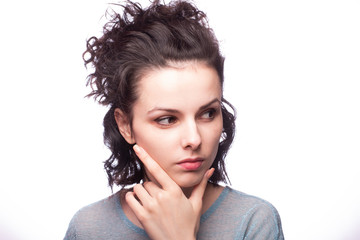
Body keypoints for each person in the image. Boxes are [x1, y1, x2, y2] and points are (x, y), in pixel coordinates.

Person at [64, 0, 284, 239]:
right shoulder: (89, 227)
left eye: (208, 113)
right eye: (167, 119)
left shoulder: (253, 221)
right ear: (125, 125)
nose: (194, 139)